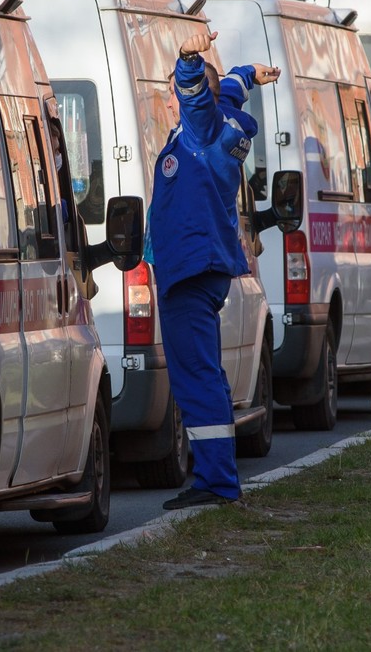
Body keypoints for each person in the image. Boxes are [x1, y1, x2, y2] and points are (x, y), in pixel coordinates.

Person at [148, 30, 279, 509]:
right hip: (203, 264)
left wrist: (186, 56)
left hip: (190, 269)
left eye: (174, 91)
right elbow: (227, 88)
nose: (174, 99)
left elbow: (198, 93)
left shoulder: (204, 128)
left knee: (195, 375)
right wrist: (250, 74)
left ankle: (216, 483)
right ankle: (215, 476)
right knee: (205, 372)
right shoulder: (225, 121)